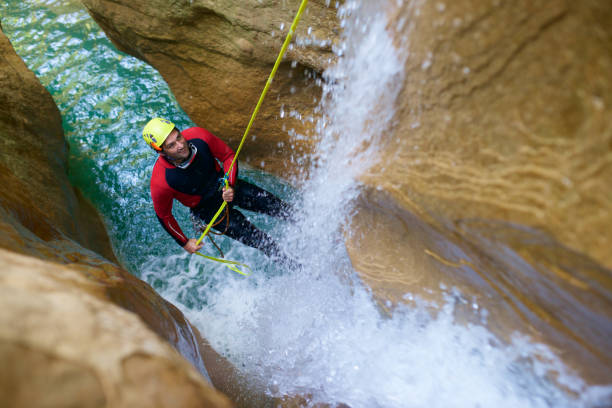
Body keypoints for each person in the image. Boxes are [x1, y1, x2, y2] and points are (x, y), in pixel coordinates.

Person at [142, 117, 295, 265]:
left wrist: (229, 184)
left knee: (280, 208)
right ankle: (297, 266)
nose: (180, 145)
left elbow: (228, 156)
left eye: (179, 137)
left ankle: (312, 226)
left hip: (226, 185)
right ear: (161, 152)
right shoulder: (161, 181)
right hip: (209, 210)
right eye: (171, 145)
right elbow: (164, 215)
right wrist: (184, 242)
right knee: (261, 242)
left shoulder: (199, 137)